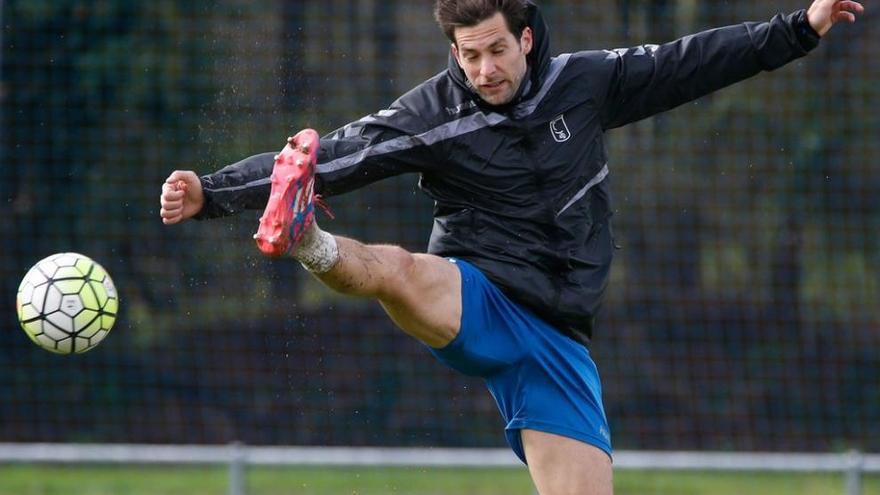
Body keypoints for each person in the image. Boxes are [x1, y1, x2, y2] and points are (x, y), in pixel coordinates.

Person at [159, 1, 863, 493]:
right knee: (399, 270)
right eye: (469, 56)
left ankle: (313, 235)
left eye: (497, 49)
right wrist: (210, 192)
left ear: (525, 38)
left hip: (560, 340)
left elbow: (690, 63)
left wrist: (801, 27)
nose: (485, 69)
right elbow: (332, 153)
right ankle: (309, 238)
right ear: (452, 52)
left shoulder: (582, 84)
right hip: (481, 294)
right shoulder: (432, 115)